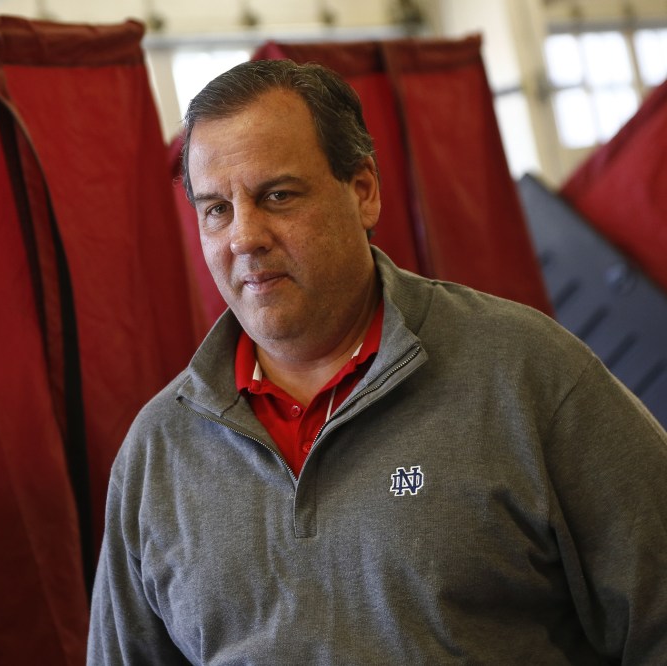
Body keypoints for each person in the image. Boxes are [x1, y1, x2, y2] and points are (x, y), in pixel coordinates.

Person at [87, 59, 667, 664]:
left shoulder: (527, 374)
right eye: (216, 209)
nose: (244, 237)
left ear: (363, 190)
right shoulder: (159, 452)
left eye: (277, 196)